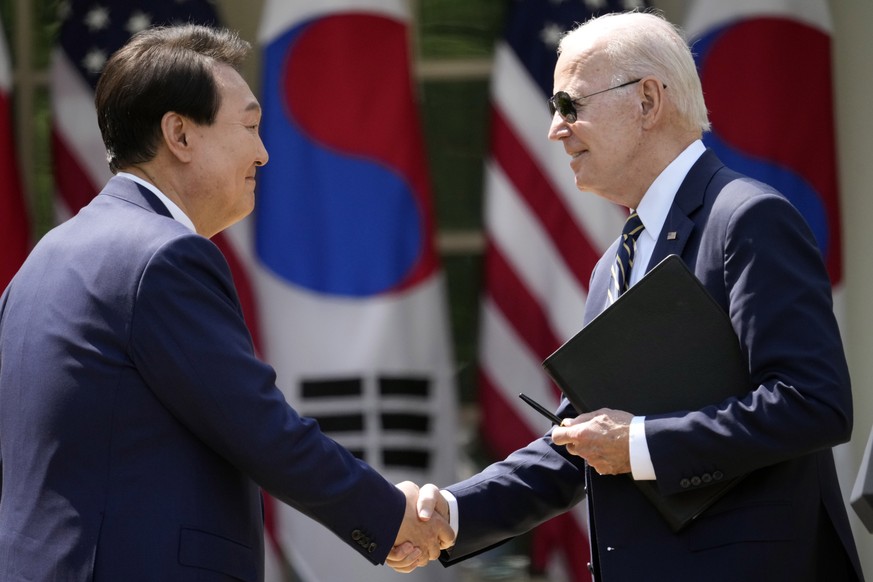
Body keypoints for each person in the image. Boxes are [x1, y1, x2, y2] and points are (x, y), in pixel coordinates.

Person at [391, 10, 864, 581]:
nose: (555, 130)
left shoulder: (746, 218)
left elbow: (812, 403)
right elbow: (581, 444)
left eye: (571, 106)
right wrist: (454, 512)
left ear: (647, 101)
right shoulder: (611, 264)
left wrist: (638, 442)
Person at [0, 24, 451, 580]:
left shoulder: (45, 259)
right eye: (251, 126)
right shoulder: (163, 257)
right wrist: (390, 516)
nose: (263, 153)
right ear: (180, 135)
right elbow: (260, 427)